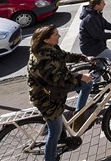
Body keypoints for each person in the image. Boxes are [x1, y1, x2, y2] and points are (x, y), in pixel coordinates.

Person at [28, 25, 93, 161]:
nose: (59, 36)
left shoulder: (51, 49)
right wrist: (79, 76)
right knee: (55, 133)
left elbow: (64, 56)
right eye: (56, 34)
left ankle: (78, 114)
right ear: (46, 39)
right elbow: (56, 78)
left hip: (56, 91)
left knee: (88, 84)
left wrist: (82, 58)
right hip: (46, 98)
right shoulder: (41, 58)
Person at [79, 0, 111, 67]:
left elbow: (106, 25)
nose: (105, 4)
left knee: (99, 68)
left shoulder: (96, 13)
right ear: (97, 5)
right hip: (92, 47)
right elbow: (100, 35)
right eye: (103, 3)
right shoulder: (90, 19)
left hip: (97, 45)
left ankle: (95, 77)